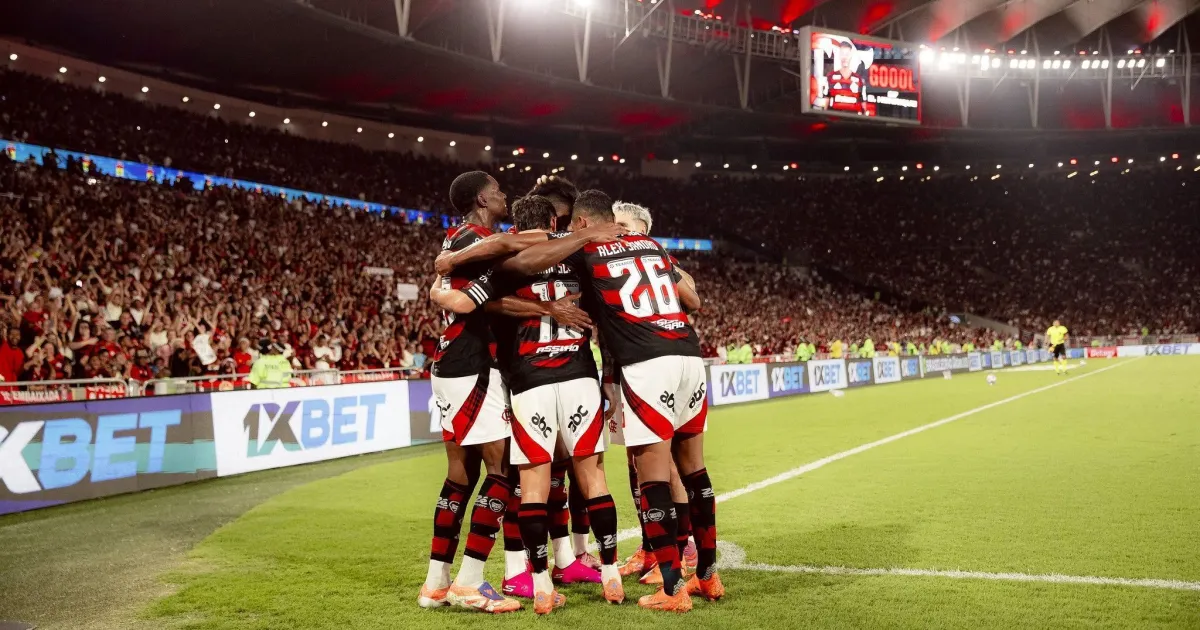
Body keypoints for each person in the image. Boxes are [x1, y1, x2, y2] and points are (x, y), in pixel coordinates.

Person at [498, 190, 721, 613]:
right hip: (689, 355)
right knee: (694, 470)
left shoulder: (587, 250)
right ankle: (708, 575)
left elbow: (524, 264)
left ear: (582, 224)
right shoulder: (652, 245)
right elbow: (692, 300)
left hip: (645, 363)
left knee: (651, 475)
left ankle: (672, 589)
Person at [432, 194, 626, 613]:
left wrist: (441, 282)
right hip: (578, 377)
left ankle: (539, 582)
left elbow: (469, 301)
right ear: (556, 222)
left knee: (529, 485)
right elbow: (608, 317)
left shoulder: (506, 262)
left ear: (517, 227)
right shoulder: (580, 257)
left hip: (526, 381)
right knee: (591, 479)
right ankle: (610, 572)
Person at [418, 171, 523, 614]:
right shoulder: (474, 239)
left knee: (460, 476)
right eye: (497, 190)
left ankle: (435, 583)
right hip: (474, 365)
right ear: (482, 199)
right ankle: (470, 581)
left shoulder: (456, 240)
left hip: (452, 365)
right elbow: (507, 251)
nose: (504, 194)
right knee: (502, 472)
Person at [610, 201, 699, 584]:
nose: (615, 230)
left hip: (651, 367)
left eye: (622, 225)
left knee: (666, 464)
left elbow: (691, 296)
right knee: (636, 462)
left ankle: (683, 547)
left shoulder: (659, 259)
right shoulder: (611, 260)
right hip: (620, 368)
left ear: (642, 230)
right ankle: (650, 546)